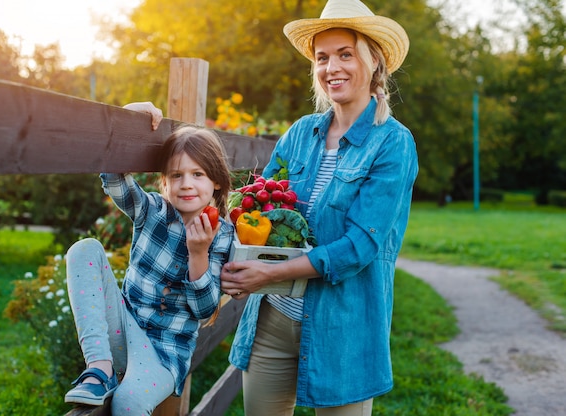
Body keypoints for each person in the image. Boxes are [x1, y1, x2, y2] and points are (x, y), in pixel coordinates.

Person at [220, 0, 419, 414]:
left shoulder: (393, 143)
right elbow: (254, 206)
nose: (332, 68)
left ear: (374, 62)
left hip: (342, 328)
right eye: (323, 58)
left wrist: (268, 271)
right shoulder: (298, 135)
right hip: (271, 320)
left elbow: (358, 248)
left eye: (345, 54)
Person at [63, 103, 234, 415]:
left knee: (129, 403)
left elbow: (205, 309)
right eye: (176, 175)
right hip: (124, 326)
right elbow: (113, 176)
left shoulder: (223, 235)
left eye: (198, 174)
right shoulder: (152, 210)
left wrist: (198, 253)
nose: (186, 184)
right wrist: (128, 120)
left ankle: (118, 381)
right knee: (84, 249)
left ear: (217, 182)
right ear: (165, 182)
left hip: (164, 353)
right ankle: (99, 368)